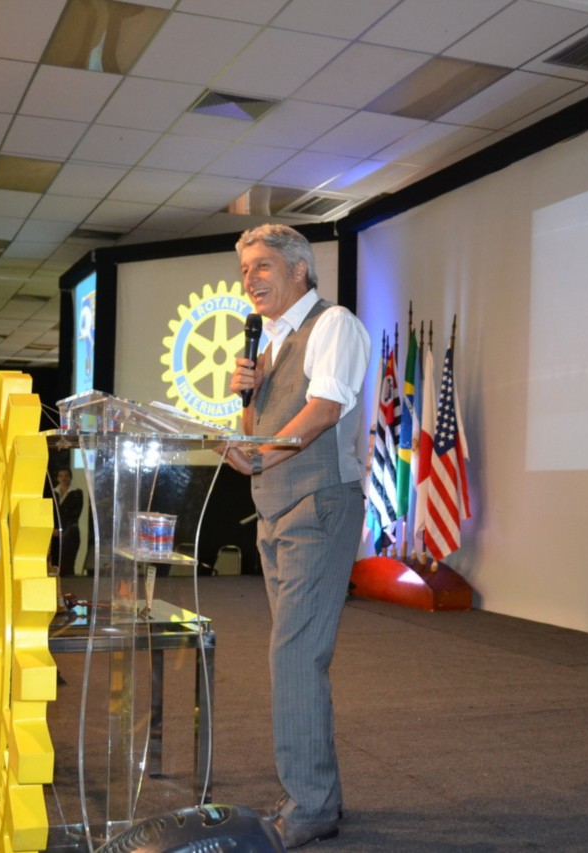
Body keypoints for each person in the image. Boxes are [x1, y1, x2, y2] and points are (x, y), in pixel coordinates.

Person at [225, 224, 371, 848]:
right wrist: (246, 401)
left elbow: (324, 410)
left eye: (261, 266)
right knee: (297, 656)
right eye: (244, 271)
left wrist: (259, 454)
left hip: (319, 504)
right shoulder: (268, 343)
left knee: (295, 655)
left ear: (299, 269)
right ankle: (313, 796)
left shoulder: (333, 324)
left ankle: (310, 806)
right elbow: (254, 435)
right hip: (275, 510)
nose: (249, 280)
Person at [51, 467, 84, 576]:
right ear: (57, 478)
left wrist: (62, 530)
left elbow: (74, 515)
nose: (64, 478)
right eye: (61, 476)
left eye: (66, 476)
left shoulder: (77, 493)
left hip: (70, 534)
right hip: (54, 534)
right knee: (54, 565)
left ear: (70, 477)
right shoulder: (53, 493)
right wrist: (53, 530)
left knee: (67, 565)